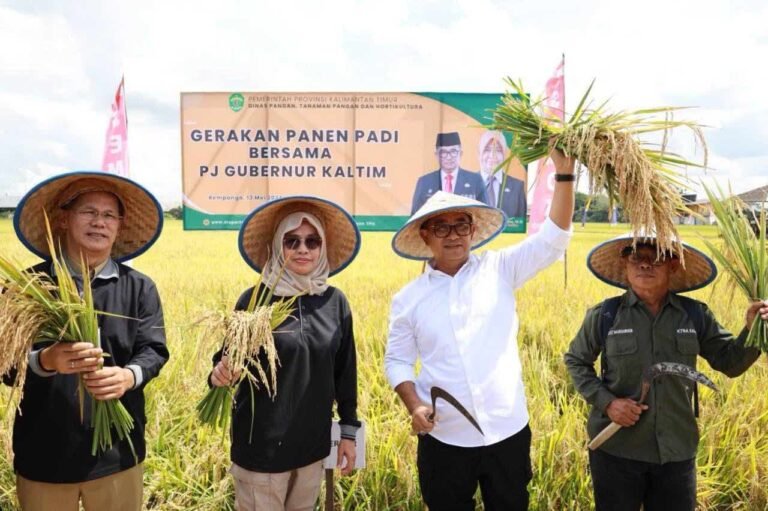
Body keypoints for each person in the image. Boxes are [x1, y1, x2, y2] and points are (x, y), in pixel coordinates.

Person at [386, 149, 576, 510]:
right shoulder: (408, 299)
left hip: (507, 431)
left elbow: (553, 240)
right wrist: (414, 405)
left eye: (461, 226)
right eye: (441, 227)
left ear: (473, 231)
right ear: (425, 235)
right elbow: (396, 360)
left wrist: (564, 175)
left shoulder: (500, 269)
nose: (453, 235)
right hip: (445, 436)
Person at [564, 235, 768, 511]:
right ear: (625, 264)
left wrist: (754, 329)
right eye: (637, 258)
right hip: (617, 451)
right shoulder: (605, 315)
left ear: (672, 266)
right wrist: (608, 403)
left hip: (676, 451)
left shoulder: (695, 315)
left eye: (656, 258)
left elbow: (730, 363)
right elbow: (576, 361)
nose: (645, 265)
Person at [9, 171, 168, 511]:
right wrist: (46, 360)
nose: (100, 222)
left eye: (109, 215)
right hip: (44, 455)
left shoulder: (139, 288)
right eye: (89, 212)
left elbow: (153, 351)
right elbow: (6, 364)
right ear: (64, 219)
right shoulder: (30, 287)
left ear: (119, 226)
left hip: (117, 455)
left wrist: (129, 376)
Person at [210, 196, 361, 510]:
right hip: (261, 451)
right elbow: (225, 362)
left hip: (311, 449)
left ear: (322, 247)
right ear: (278, 246)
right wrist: (220, 373)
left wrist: (348, 431)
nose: (303, 248)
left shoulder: (334, 302)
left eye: (312, 241)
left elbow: (345, 373)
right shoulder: (255, 300)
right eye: (292, 241)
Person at [411, 131, 488, 214]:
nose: (449, 157)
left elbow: (486, 213)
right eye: (443, 152)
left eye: (453, 151)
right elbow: (415, 215)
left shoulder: (475, 180)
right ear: (436, 155)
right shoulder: (424, 182)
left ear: (461, 153)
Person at [478, 130, 526, 219]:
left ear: (504, 155)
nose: (492, 155)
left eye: (498, 150)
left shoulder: (517, 187)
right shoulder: (468, 183)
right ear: (479, 154)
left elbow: (521, 223)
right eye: (487, 150)